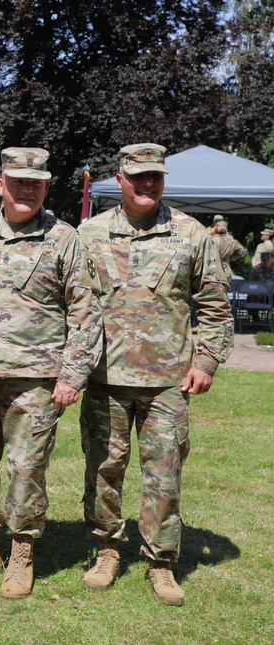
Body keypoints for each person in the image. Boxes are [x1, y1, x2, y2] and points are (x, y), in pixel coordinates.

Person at [0, 148, 103, 598]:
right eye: (17, 181)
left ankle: (21, 551)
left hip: (37, 378)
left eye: (35, 183)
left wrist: (72, 375)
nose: (26, 189)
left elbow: (85, 311)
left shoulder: (65, 238)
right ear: (0, 184)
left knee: (27, 468)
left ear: (46, 187)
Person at [77, 143, 233, 606]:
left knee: (164, 473)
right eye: (138, 176)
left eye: (156, 178)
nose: (147, 185)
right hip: (105, 377)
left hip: (169, 381)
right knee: (103, 469)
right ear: (120, 178)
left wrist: (206, 361)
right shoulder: (90, 232)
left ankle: (161, 562)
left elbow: (214, 303)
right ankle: (106, 550)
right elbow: (75, 302)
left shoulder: (190, 233)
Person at [210, 221, 246, 286]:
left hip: (212, 271)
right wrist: (231, 259)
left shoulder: (210, 240)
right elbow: (241, 251)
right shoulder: (231, 241)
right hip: (226, 272)